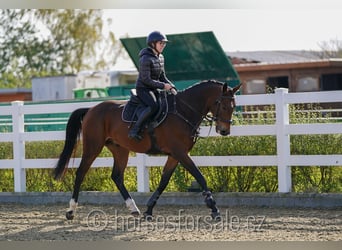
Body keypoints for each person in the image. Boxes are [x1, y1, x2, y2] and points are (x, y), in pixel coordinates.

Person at [128, 31, 175, 141]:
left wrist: (172, 86)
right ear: (153, 44)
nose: (163, 46)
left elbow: (162, 76)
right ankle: (135, 130)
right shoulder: (145, 59)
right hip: (143, 89)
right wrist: (163, 86)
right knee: (153, 106)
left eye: (164, 44)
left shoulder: (161, 57)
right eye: (161, 43)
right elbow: (146, 79)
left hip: (153, 88)